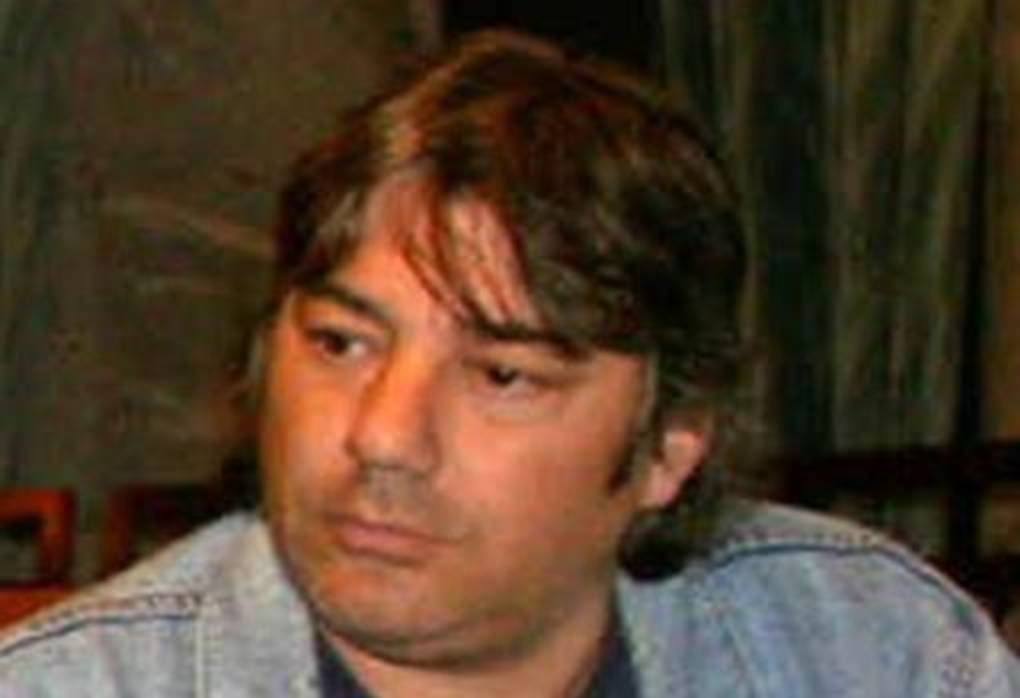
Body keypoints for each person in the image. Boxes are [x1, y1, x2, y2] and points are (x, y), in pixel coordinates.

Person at [1, 28, 1017, 697]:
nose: (382, 434)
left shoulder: (872, 648)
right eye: (341, 343)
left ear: (668, 446)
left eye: (502, 374)